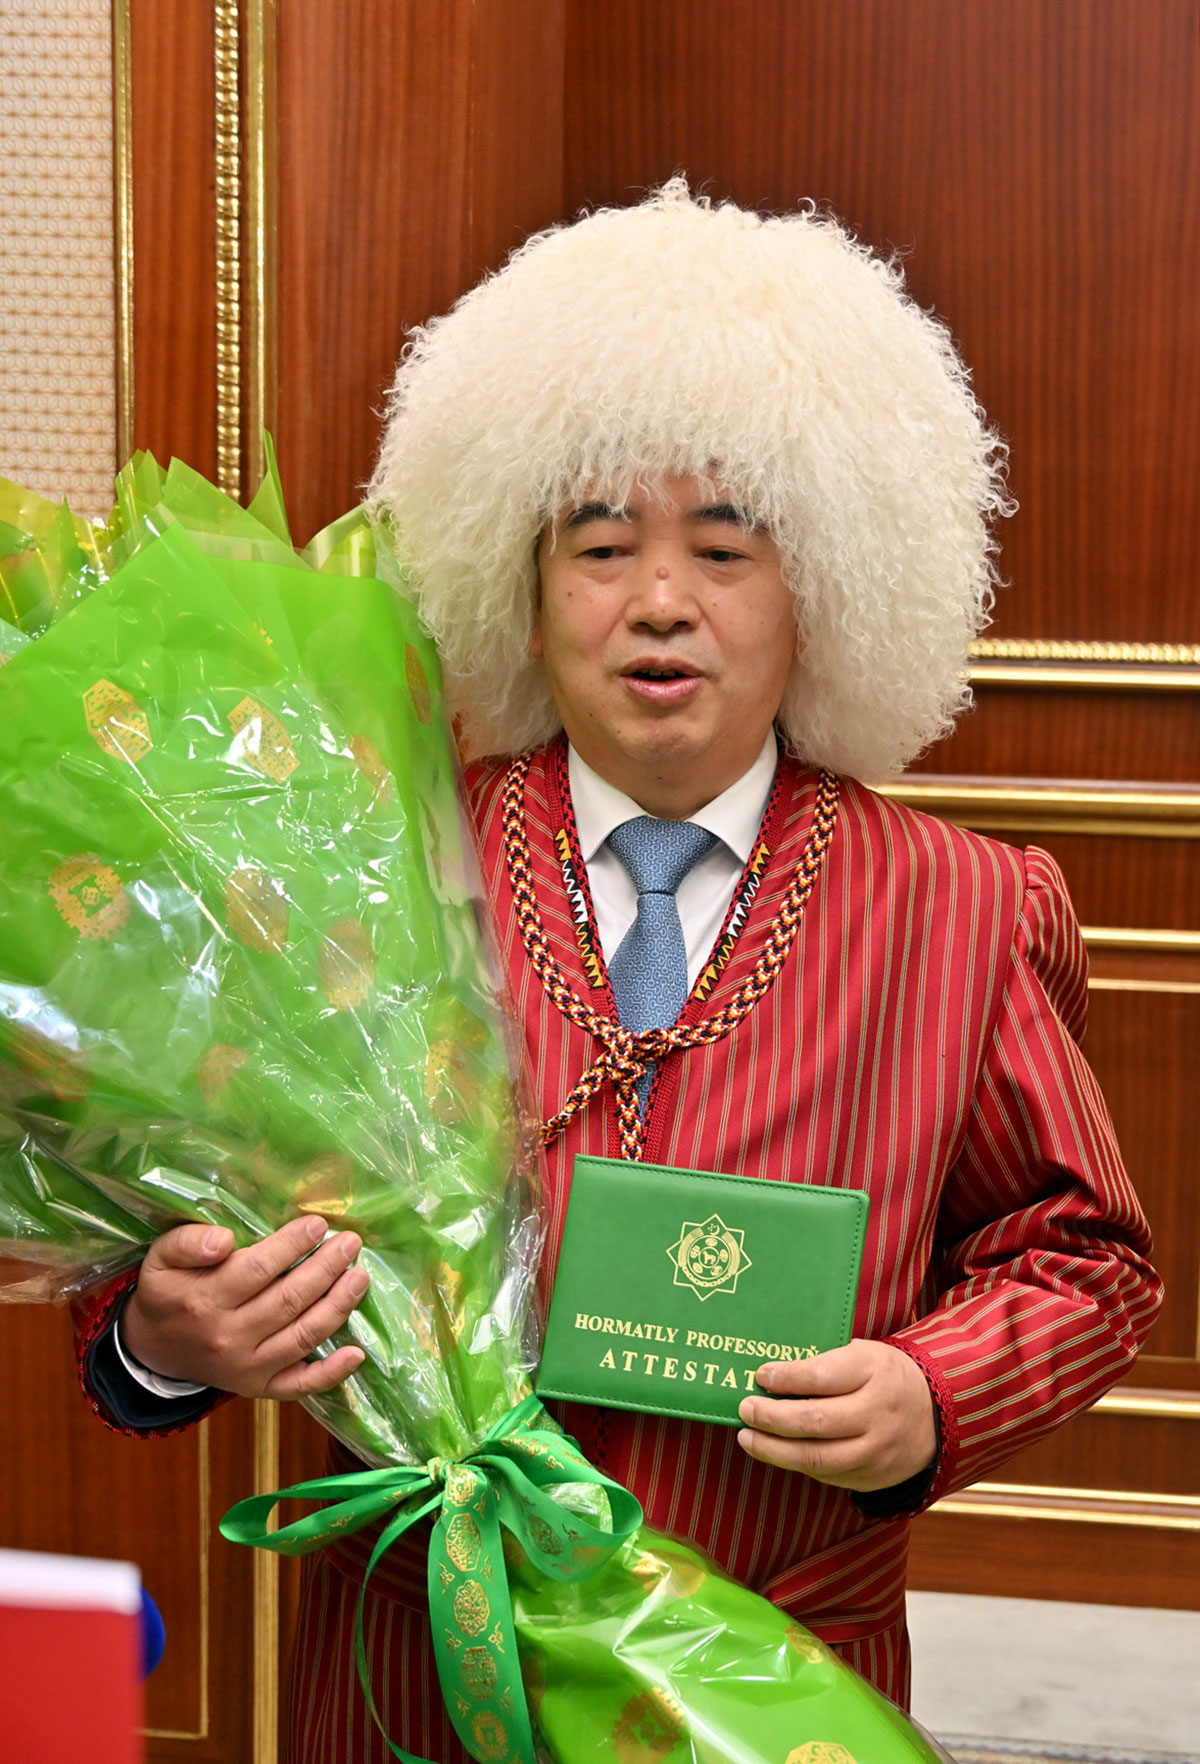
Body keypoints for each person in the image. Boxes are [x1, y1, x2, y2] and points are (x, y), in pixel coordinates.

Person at [74, 182, 1162, 1762]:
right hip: (416, 1683)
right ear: (517, 587)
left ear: (822, 590)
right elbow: (170, 1225)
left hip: (776, 1685)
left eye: (724, 548)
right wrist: (159, 1344)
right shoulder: (365, 859)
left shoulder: (968, 908)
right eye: (600, 546)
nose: (661, 601)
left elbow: (1085, 1260)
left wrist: (934, 1395)